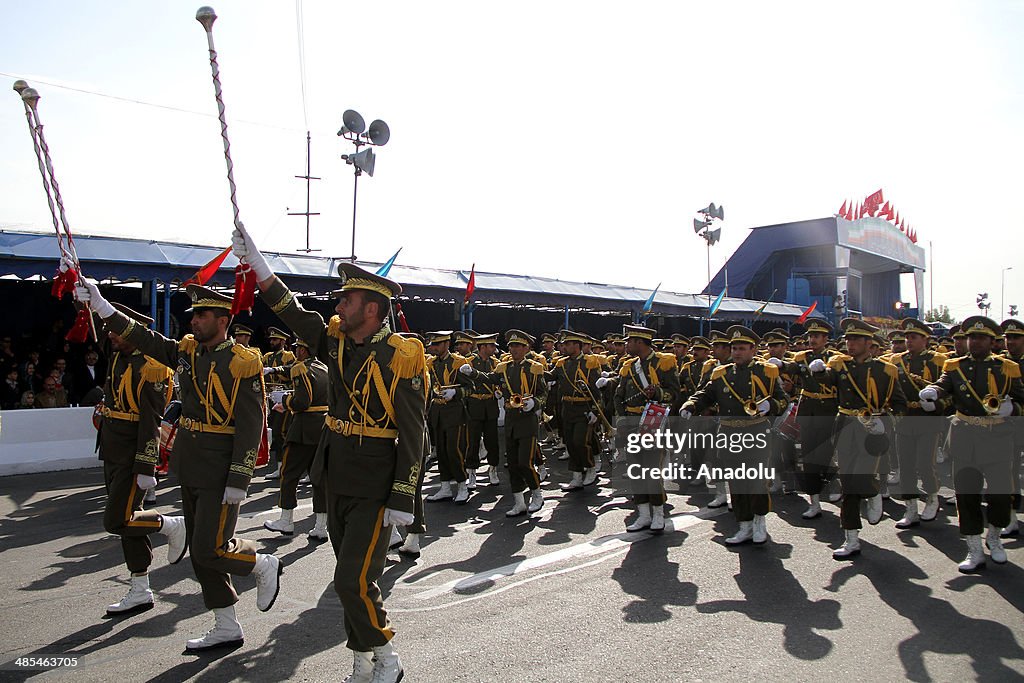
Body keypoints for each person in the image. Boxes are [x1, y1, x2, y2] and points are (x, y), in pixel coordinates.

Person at [233, 224, 425, 683]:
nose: (337, 306)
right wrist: (258, 264)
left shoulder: (401, 357)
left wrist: (402, 497)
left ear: (372, 308)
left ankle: (387, 658)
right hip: (334, 474)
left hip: (376, 485)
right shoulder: (336, 342)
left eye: (347, 300)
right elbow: (291, 312)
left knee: (351, 581)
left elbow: (417, 436)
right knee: (354, 580)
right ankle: (364, 659)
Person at [74, 281, 282, 651]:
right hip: (191, 462)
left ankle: (261, 562)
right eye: (193, 315)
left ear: (223, 319)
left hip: (221, 467)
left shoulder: (242, 362)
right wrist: (102, 305)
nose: (194, 321)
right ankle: (226, 624)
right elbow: (147, 338)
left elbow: (251, 424)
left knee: (209, 550)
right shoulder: (188, 353)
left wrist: (241, 475)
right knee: (203, 557)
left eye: (202, 315)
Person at [90, 302, 188, 616]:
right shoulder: (118, 355)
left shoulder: (153, 366)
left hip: (133, 455)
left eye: (117, 330)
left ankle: (170, 524)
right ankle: (140, 587)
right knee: (128, 523)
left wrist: (147, 465)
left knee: (117, 519)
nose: (110, 335)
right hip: (113, 449)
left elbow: (151, 420)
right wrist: (89, 299)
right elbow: (98, 326)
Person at [921, 316, 1023, 573]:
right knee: (966, 494)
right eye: (971, 337)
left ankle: (995, 535)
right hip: (964, 434)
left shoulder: (1007, 367)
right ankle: (974, 547)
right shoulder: (954, 366)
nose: (974, 342)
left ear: (992, 341)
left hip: (996, 436)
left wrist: (1013, 409)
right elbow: (944, 385)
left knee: (1000, 493)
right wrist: (933, 391)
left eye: (980, 338)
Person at [808, 319, 907, 559]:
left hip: (872, 428)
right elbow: (828, 382)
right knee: (847, 478)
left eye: (855, 340)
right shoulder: (840, 366)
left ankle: (871, 490)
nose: (849, 344)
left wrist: (887, 422)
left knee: (858, 477)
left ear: (868, 343)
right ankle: (851, 537)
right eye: (848, 340)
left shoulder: (886, 370)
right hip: (845, 425)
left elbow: (900, 404)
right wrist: (819, 372)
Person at [681, 326, 789, 545]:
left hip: (755, 431)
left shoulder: (766, 371)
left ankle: (760, 522)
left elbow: (784, 399)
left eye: (741, 348)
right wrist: (691, 404)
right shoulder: (722, 373)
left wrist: (772, 404)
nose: (737, 352)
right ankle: (744, 525)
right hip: (729, 432)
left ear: (753, 349)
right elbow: (706, 394)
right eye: (734, 348)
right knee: (737, 482)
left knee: (756, 481)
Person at [461, 330, 548, 516]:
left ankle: (537, 493)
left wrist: (535, 403)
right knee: (514, 464)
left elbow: (543, 393)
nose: (514, 349)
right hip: (511, 420)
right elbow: (490, 378)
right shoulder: (504, 367)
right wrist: (473, 373)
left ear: (526, 348)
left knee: (525, 462)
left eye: (518, 346)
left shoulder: (534, 367)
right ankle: (518, 501)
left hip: (527, 420)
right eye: (511, 346)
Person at [605, 325, 679, 532]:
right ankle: (643, 513)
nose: (626, 345)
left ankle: (658, 513)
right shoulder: (629, 366)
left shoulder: (663, 362)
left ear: (640, 342)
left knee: (651, 469)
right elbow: (619, 396)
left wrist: (658, 393)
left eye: (629, 341)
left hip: (653, 420)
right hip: (631, 421)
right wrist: (621, 418)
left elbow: (674, 393)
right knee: (636, 469)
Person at [263, 339, 330, 540]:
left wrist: (283, 399)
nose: (296, 352)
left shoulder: (301, 369)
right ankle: (320, 526)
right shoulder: (324, 368)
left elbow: (301, 402)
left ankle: (286, 520)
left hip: (303, 428)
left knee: (289, 473)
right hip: (322, 427)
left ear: (303, 349)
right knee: (319, 478)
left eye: (298, 349)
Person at [888, 318, 949, 529]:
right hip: (905, 418)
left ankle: (932, 498)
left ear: (926, 339)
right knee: (905, 465)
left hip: (928, 420)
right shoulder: (896, 361)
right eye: (907, 337)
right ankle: (910, 507)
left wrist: (938, 405)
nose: (909, 341)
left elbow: (950, 392)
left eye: (913, 337)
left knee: (925, 463)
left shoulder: (938, 361)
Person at [790, 319, 840, 519]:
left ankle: (833, 481)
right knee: (809, 457)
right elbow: (791, 370)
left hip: (827, 410)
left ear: (826, 338)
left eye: (816, 336)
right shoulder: (802, 357)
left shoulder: (835, 359)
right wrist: (780, 365)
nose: (812, 340)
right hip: (808, 410)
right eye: (810, 336)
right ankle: (815, 502)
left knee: (826, 454)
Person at [549, 331, 604, 490]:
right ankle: (577, 476)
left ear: (576, 345)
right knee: (571, 443)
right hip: (567, 408)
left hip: (584, 408)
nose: (563, 347)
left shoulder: (590, 362)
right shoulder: (561, 363)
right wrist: (534, 370)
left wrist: (595, 410)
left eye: (567, 344)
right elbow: (550, 376)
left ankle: (591, 467)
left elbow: (597, 389)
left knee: (580, 441)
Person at [424, 331, 473, 504]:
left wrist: (456, 392)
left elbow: (471, 388)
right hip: (437, 412)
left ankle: (462, 485)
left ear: (446, 344)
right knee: (442, 452)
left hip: (454, 412)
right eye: (432, 345)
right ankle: (445, 486)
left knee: (454, 450)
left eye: (436, 345)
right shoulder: (431, 363)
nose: (433, 348)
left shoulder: (459, 362)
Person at [463, 333, 502, 487]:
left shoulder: (496, 363)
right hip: (475, 405)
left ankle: (493, 470)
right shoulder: (470, 362)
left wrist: (499, 391)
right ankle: (472, 473)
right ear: (483, 347)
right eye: (491, 346)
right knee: (472, 441)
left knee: (492, 441)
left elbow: (498, 380)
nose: (494, 349)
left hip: (490, 405)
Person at [263, 326, 296, 479]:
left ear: (283, 341)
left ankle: (282, 466)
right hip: (269, 396)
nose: (272, 342)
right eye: (271, 339)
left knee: (280, 431)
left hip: (282, 396)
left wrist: (274, 370)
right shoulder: (267, 356)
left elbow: (291, 370)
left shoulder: (288, 355)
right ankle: (278, 464)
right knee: (272, 431)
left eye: (275, 339)